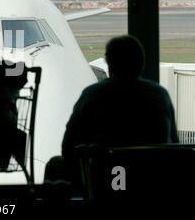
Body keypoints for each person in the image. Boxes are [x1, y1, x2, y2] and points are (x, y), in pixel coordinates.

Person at [46, 35, 179, 188]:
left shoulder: (93, 94)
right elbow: (174, 145)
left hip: (104, 181)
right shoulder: (160, 94)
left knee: (55, 165)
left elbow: (68, 145)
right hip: (150, 179)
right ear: (141, 62)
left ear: (110, 62)